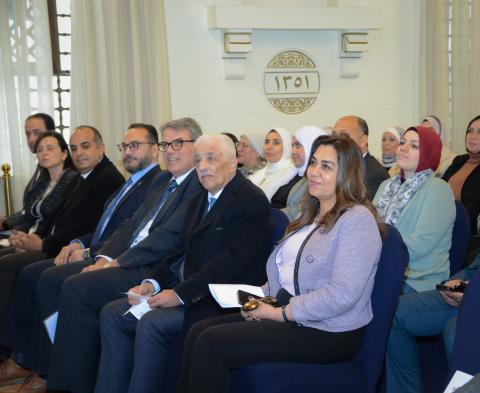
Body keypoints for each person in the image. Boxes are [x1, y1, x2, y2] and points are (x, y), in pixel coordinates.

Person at [176, 134, 384, 393]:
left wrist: (279, 313)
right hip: (294, 314)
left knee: (210, 343)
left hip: (329, 330)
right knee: (198, 331)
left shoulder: (357, 220)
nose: (314, 172)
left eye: (326, 167)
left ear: (347, 175)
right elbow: (282, 278)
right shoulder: (310, 214)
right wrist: (256, 301)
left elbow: (342, 295)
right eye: (314, 163)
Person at [94, 134, 271, 393]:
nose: (203, 167)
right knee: (113, 314)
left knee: (151, 322)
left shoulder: (250, 200)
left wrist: (180, 295)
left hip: (219, 298)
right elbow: (179, 251)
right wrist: (151, 284)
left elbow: (230, 263)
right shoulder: (201, 197)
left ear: (233, 164)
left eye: (212, 159)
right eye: (198, 160)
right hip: (188, 288)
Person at [40, 118, 205, 393]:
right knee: (60, 280)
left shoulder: (198, 185)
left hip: (151, 269)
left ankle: (71, 384)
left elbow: (168, 237)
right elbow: (131, 224)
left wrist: (117, 263)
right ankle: (68, 378)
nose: (170, 150)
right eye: (166, 144)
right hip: (126, 260)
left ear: (196, 148)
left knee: (76, 288)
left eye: (178, 143)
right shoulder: (164, 180)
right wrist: (103, 258)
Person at [0, 124, 162, 388]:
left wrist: (93, 253)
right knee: (41, 276)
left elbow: (136, 235)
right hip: (96, 250)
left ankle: (48, 370)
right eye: (126, 146)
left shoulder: (153, 181)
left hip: (122, 260)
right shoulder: (129, 181)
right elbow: (106, 227)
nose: (129, 152)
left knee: (49, 279)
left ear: (155, 151)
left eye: (136, 146)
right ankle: (33, 361)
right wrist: (80, 243)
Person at [0, 126, 124, 355]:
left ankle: (20, 353)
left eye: (85, 147)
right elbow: (55, 217)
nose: (79, 153)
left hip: (79, 249)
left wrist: (43, 244)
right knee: (17, 267)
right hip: (59, 244)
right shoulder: (83, 177)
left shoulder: (106, 178)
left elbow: (89, 226)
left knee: (23, 272)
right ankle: (19, 353)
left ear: (101, 148)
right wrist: (33, 237)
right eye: (74, 148)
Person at [374, 126, 455, 293]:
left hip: (416, 279)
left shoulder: (438, 189)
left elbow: (419, 246)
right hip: (379, 267)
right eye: (403, 142)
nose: (403, 147)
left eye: (414, 145)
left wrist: (370, 251)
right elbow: (368, 227)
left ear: (429, 153)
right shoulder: (386, 185)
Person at [386, 250, 480, 393]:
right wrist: (451, 285)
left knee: (455, 330)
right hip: (471, 288)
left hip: (474, 298)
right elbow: (473, 269)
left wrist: (472, 296)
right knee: (395, 312)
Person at [1, 131, 78, 244]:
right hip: (27, 238)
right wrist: (17, 233)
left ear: (64, 154)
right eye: (40, 150)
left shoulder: (72, 180)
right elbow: (28, 215)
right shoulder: (42, 182)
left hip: (47, 243)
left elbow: (55, 219)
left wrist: (29, 237)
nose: (44, 153)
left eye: (50, 148)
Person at [0, 113, 55, 232]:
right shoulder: (41, 166)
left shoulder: (56, 169)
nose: (31, 139)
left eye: (37, 133)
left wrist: (6, 222)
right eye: (27, 134)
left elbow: (41, 211)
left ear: (52, 133)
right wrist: (6, 219)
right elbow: (29, 209)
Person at [280, 126, 330, 220]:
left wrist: (266, 214)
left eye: (298, 145)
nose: (293, 151)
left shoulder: (316, 179)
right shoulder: (297, 173)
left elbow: (299, 211)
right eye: (292, 146)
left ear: (311, 146)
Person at [442, 115, 480, 236]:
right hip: (440, 221)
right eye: (470, 131)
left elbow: (473, 212)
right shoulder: (459, 160)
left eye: (479, 132)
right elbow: (439, 189)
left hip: (461, 231)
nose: (472, 136)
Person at [333, 115, 388, 198]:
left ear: (363, 140)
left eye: (343, 135)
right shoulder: (340, 166)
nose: (336, 141)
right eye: (334, 135)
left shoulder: (373, 175)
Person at [248, 128, 297, 201]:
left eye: (276, 143)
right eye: (267, 142)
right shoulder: (261, 172)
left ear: (287, 147)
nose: (269, 147)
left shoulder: (291, 172)